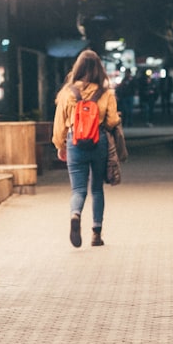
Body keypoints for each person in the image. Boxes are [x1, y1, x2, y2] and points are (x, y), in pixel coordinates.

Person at [52, 49, 122, 248]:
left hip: (75, 142)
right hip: (98, 140)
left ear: (78, 67)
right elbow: (111, 120)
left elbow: (59, 123)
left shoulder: (67, 93)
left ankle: (75, 214)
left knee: (78, 189)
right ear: (99, 69)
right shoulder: (106, 93)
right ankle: (96, 234)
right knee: (97, 188)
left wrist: (60, 145)